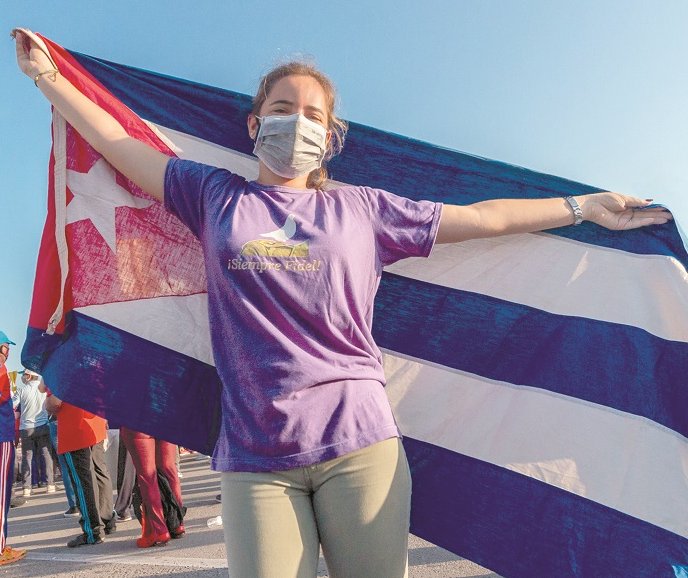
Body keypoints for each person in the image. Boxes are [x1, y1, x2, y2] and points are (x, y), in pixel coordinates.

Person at [14, 31, 672, 578]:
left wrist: (583, 208)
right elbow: (121, 147)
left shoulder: (363, 210)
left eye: (312, 115)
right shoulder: (214, 195)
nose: (295, 123)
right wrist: (48, 76)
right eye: (281, 107)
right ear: (253, 124)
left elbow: (484, 217)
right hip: (253, 459)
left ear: (330, 139)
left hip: (359, 447)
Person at [44, 389, 116, 547]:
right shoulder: (91, 364)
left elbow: (55, 402)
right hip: (95, 422)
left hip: (74, 427)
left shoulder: (62, 366)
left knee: (83, 480)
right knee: (100, 472)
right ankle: (106, 519)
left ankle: (93, 530)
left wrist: (46, 404)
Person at [120, 427, 185, 547]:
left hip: (136, 422)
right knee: (169, 470)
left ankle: (158, 530)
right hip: (162, 417)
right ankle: (177, 523)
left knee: (147, 477)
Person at [0, 332, 26, 565]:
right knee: (1, 494)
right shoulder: (0, 370)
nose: (8, 351)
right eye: (6, 346)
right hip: (1, 435)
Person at [12, 370, 54, 497]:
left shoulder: (21, 390)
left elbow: (12, 404)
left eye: (24, 375)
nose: (23, 378)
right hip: (43, 425)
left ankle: (26, 488)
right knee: (47, 455)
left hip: (26, 428)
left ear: (29, 376)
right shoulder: (44, 388)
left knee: (27, 458)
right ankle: (50, 484)